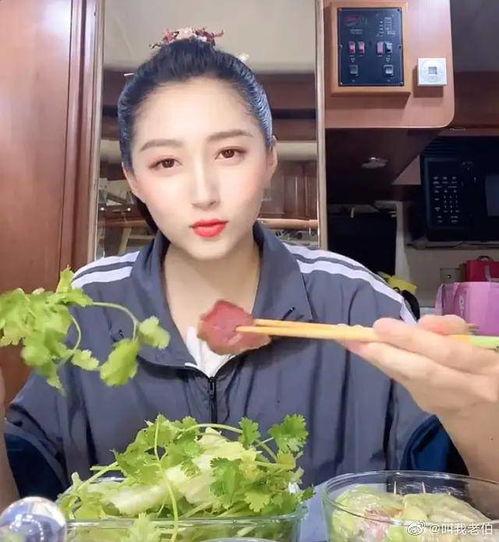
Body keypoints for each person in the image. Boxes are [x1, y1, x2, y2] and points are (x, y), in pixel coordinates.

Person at [1, 29, 498, 511]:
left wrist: (477, 415)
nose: (203, 193)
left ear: (270, 159)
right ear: (133, 178)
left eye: (229, 153)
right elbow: (22, 502)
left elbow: (468, 512)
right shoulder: (85, 309)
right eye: (166, 163)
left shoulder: (359, 305)